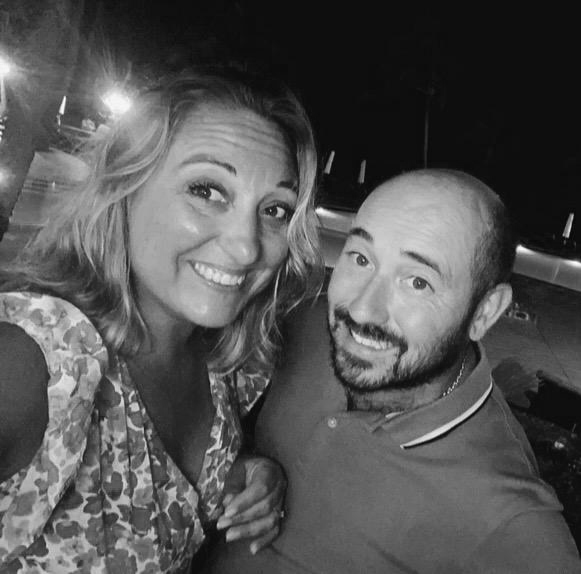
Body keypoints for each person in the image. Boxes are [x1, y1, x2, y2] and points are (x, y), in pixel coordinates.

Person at [0, 68, 323, 572]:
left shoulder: (228, 366)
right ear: (124, 187)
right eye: (207, 190)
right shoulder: (33, 359)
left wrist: (252, 473)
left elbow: (161, 490)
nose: (246, 247)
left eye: (276, 210)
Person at [204, 169, 581, 573]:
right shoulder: (302, 323)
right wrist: (248, 463)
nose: (362, 310)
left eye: (417, 282)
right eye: (361, 258)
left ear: (484, 313)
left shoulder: (516, 528)